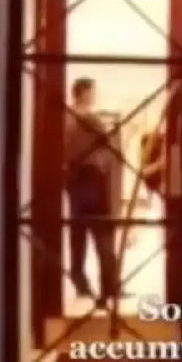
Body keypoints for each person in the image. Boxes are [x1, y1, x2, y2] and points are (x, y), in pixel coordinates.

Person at [64, 77, 119, 308]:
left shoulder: (65, 118)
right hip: (93, 181)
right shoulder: (90, 120)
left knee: (78, 235)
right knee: (103, 234)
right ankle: (110, 286)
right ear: (85, 93)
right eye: (93, 92)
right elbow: (108, 150)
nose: (95, 96)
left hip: (74, 181)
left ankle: (80, 281)